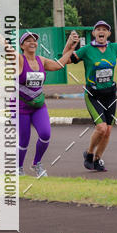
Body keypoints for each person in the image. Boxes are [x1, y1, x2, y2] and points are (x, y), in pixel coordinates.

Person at [66, 20, 117, 172]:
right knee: (101, 128)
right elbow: (65, 60)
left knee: (108, 131)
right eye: (98, 29)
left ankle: (97, 160)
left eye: (104, 29)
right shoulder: (86, 50)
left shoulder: (114, 48)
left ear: (109, 33)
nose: (101, 31)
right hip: (93, 95)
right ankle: (89, 154)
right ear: (94, 33)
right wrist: (69, 44)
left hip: (110, 95)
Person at [18, 31, 79, 177]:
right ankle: (18, 168)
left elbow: (59, 65)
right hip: (20, 106)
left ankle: (36, 164)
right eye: (28, 40)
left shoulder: (42, 60)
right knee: (24, 140)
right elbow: (7, 48)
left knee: (45, 134)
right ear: (22, 45)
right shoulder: (19, 60)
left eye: (34, 40)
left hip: (38, 106)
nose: (32, 42)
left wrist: (71, 48)